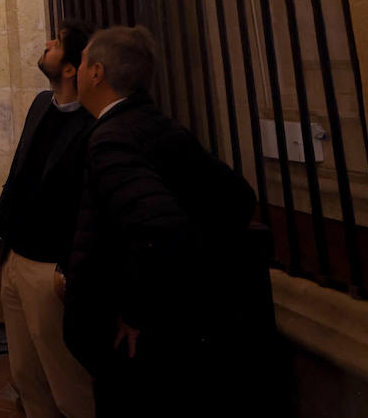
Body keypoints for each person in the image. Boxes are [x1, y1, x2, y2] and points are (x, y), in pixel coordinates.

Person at [62, 26, 263, 418]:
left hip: (141, 341)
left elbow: (159, 229)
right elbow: (238, 199)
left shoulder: (112, 138)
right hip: (187, 324)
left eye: (83, 62)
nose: (79, 71)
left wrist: (137, 311)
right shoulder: (155, 123)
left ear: (97, 72)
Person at [0, 21, 97, 418]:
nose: (47, 43)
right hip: (16, 257)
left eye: (57, 42)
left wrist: (68, 268)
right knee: (24, 373)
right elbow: (19, 172)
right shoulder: (41, 104)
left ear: (71, 68)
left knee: (65, 379)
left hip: (50, 267)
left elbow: (89, 206)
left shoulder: (93, 125)